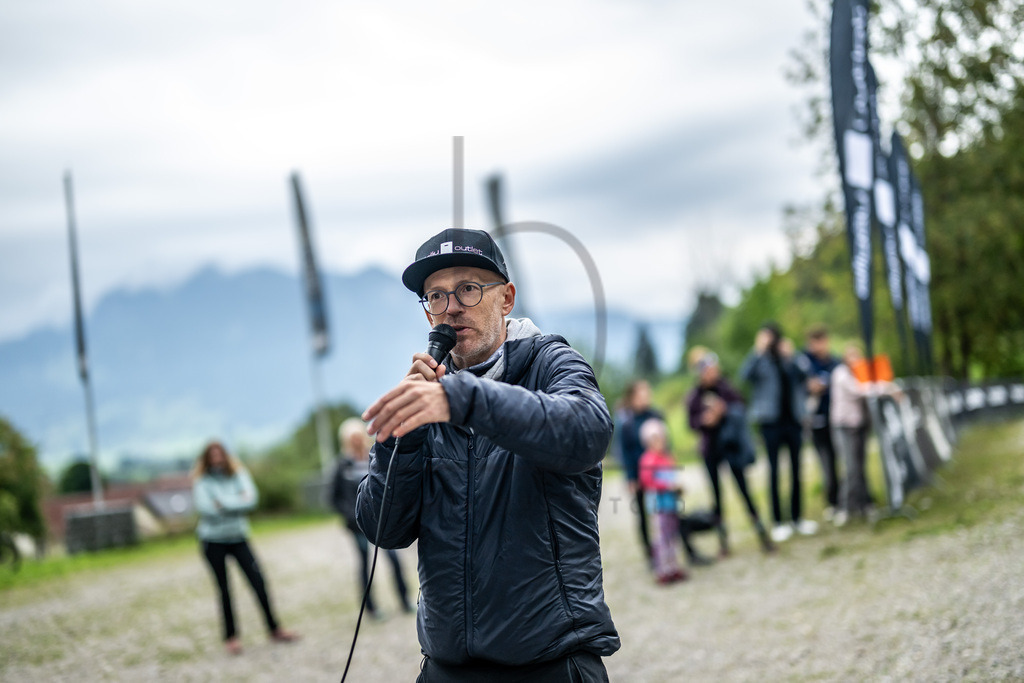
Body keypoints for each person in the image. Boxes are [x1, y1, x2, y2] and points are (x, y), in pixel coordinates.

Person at [357, 228, 619, 681]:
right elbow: (385, 528)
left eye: (468, 289)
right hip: (447, 666)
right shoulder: (429, 398)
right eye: (435, 297)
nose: (450, 307)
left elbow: (588, 432)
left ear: (506, 298)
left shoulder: (552, 364)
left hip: (550, 663)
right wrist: (403, 437)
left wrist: (465, 400)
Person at [192, 441, 299, 655]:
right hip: (213, 541)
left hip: (239, 537)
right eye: (212, 455)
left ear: (225, 455)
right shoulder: (202, 482)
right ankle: (231, 637)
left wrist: (222, 503)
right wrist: (236, 501)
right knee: (224, 589)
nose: (216, 458)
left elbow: (251, 501)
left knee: (258, 582)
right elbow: (206, 509)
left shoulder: (239, 474)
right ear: (206, 458)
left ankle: (274, 628)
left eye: (219, 453)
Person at [686, 349, 774, 556]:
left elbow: (741, 406)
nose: (711, 373)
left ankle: (762, 534)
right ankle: (723, 542)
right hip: (710, 450)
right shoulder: (695, 395)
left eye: (713, 369)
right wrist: (706, 420)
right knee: (717, 496)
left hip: (731, 447)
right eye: (707, 370)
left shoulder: (725, 388)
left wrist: (723, 410)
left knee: (745, 490)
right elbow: (692, 423)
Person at [328, 417, 413, 618]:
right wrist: (350, 516)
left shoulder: (373, 457)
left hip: (383, 519)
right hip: (357, 524)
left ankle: (404, 600)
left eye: (359, 436)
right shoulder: (341, 465)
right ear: (346, 440)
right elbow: (333, 497)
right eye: (352, 438)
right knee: (365, 563)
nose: (357, 441)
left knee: (394, 559)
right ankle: (372, 608)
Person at [739, 323, 816, 543]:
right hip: (770, 422)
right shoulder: (759, 359)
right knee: (774, 471)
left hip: (792, 420)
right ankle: (778, 522)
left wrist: (791, 355)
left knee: (796, 469)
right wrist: (757, 350)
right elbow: (744, 376)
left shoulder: (788, 358)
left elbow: (805, 375)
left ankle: (797, 518)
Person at [829, 343, 892, 525]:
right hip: (844, 426)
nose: (856, 360)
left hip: (859, 425)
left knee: (860, 466)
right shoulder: (840, 374)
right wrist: (888, 388)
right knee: (850, 468)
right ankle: (844, 507)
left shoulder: (859, 373)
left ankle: (864, 503)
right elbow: (860, 390)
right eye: (852, 356)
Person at [797, 325, 841, 521]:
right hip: (815, 420)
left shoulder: (835, 362)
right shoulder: (803, 363)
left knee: (840, 459)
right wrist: (808, 388)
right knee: (826, 464)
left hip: (836, 417)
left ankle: (847, 497)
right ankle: (833, 501)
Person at [616, 379, 661, 564]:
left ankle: (681, 549)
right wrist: (630, 478)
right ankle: (650, 553)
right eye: (641, 394)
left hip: (658, 471)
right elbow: (625, 452)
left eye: (647, 394)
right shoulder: (626, 421)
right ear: (632, 397)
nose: (645, 398)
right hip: (639, 473)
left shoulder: (655, 415)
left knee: (669, 509)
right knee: (643, 514)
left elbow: (665, 444)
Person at [637, 418, 687, 584]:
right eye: (655, 439)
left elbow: (673, 476)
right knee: (660, 538)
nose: (659, 442)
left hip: (671, 503)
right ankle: (662, 570)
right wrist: (667, 485)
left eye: (661, 438)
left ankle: (674, 567)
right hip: (657, 505)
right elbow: (647, 481)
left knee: (672, 536)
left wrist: (678, 487)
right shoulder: (647, 460)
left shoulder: (667, 457)